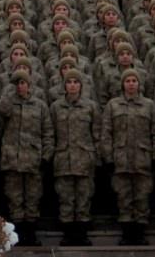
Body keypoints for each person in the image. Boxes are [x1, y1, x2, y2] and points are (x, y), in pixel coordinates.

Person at [101, 69, 155, 245]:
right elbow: (106, 134)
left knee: (142, 197)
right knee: (124, 197)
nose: (131, 83)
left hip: (143, 159)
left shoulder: (149, 105)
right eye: (127, 80)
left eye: (134, 80)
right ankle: (127, 235)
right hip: (120, 160)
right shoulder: (113, 105)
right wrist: (108, 158)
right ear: (122, 84)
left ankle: (140, 234)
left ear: (139, 83)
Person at [0, 70, 54, 245]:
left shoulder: (40, 105)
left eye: (23, 83)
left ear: (29, 85)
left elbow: (48, 132)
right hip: (12, 160)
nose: (20, 86)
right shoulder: (8, 104)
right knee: (15, 199)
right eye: (17, 83)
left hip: (33, 160)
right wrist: (9, 92)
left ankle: (31, 234)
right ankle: (17, 235)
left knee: (32, 198)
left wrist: (46, 156)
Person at [50, 68, 100, 246]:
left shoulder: (90, 106)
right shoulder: (56, 107)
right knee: (66, 198)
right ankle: (68, 234)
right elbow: (51, 133)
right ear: (64, 85)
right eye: (69, 82)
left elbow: (96, 134)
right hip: (63, 159)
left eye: (76, 82)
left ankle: (81, 234)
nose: (72, 85)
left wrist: (96, 156)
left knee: (83, 198)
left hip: (85, 159)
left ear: (81, 85)